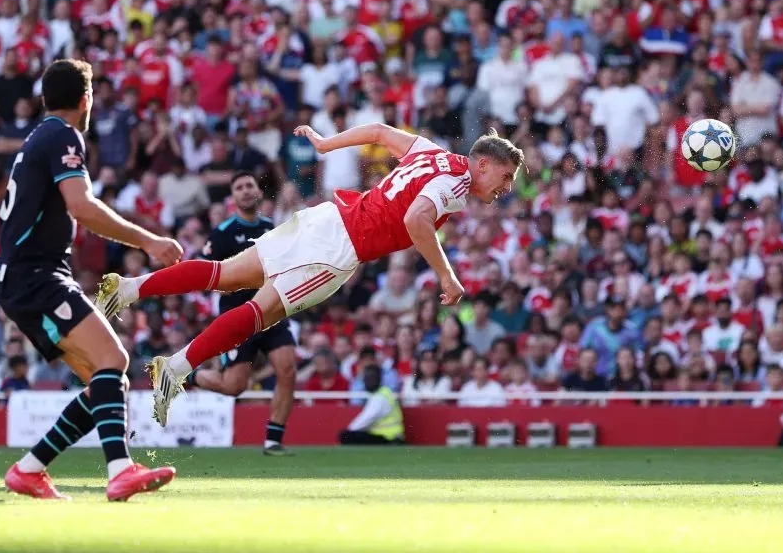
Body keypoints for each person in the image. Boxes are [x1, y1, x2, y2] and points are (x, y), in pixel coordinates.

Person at [96, 123, 523, 425]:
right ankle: (175, 369)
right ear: (482, 163)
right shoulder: (458, 183)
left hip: (329, 217)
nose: (504, 190)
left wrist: (325, 144)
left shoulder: (432, 152)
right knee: (260, 313)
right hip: (337, 250)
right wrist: (446, 276)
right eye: (504, 178)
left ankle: (130, 289)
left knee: (225, 274)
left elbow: (378, 131)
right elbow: (417, 219)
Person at [0, 60, 181, 502]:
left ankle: (29, 470)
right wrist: (149, 241)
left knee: (105, 381)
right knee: (112, 360)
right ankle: (120, 471)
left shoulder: (39, 137)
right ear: (86, 99)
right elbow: (83, 206)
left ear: (43, 99)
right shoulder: (63, 134)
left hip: (27, 277)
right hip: (36, 277)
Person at [184, 172, 298, 456]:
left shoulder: (271, 228)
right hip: (238, 316)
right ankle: (189, 378)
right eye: (239, 188)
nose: (246, 191)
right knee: (234, 386)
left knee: (287, 368)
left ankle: (273, 440)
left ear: (259, 192)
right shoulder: (221, 234)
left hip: (271, 309)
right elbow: (212, 279)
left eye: (250, 186)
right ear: (232, 197)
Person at [337, 365, 405, 445]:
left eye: (371, 378)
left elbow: (367, 418)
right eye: (366, 378)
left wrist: (350, 430)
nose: (368, 381)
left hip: (389, 438)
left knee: (346, 435)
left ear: (379, 379)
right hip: (389, 436)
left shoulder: (380, 397)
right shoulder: (382, 393)